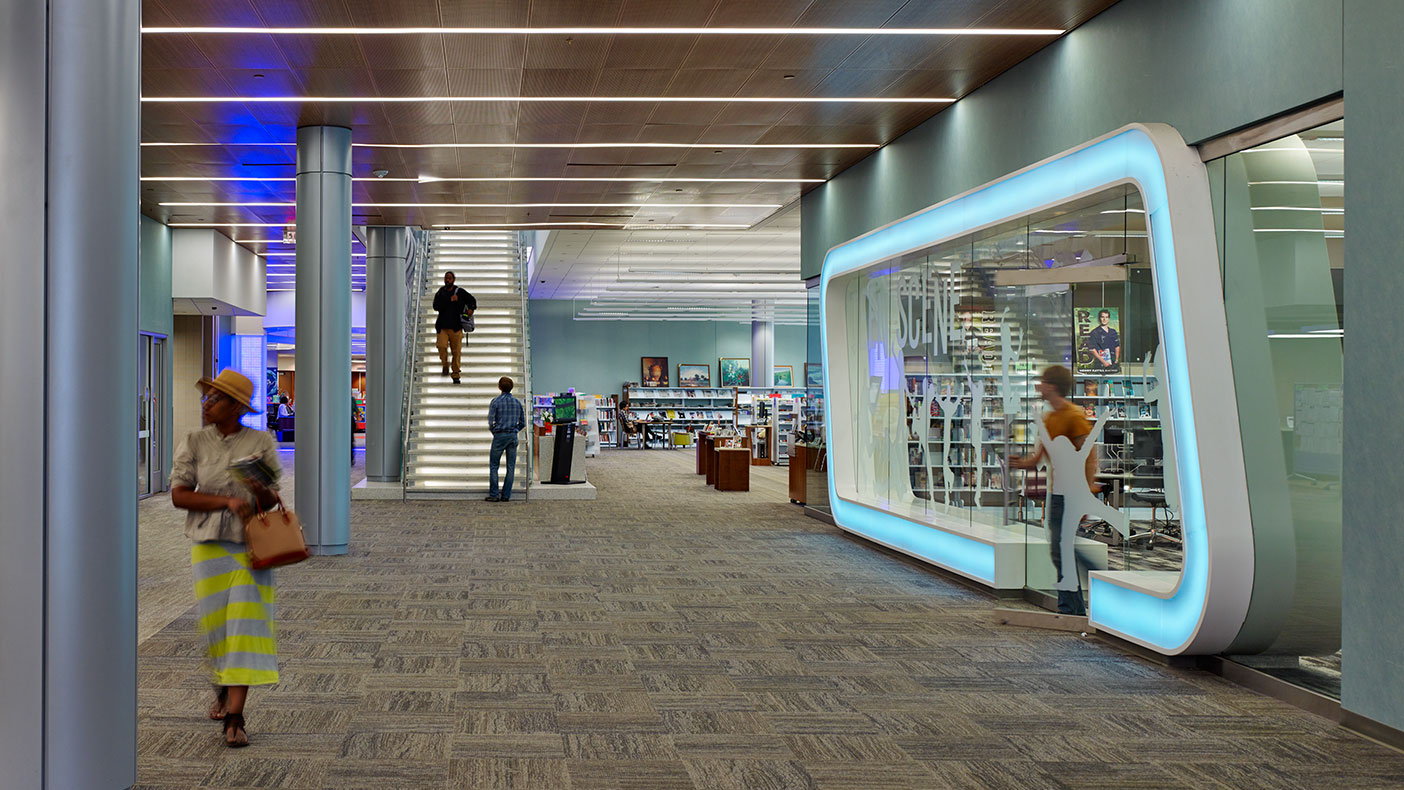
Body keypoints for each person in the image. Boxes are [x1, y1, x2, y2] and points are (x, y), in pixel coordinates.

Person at [170, 369, 282, 747]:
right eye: (207, 397)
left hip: (251, 548)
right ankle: (223, 684)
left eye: (214, 399)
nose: (206, 403)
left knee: (244, 631)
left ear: (235, 406)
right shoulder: (194, 442)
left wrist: (257, 488)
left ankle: (236, 717)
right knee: (219, 631)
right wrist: (227, 501)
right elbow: (179, 495)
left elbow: (270, 501)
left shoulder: (261, 441)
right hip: (209, 547)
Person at [1010, 365, 1099, 615]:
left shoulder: (1073, 415)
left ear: (1053, 386)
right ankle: (1074, 607)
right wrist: (1017, 462)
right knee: (1060, 550)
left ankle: (1081, 600)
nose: (1039, 386)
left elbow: (1089, 455)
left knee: (1063, 550)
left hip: (1072, 494)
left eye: (1042, 382)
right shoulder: (1049, 418)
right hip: (1057, 494)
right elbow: (1038, 459)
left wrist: (1087, 491)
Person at [432, 271, 476, 385]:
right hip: (442, 327)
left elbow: (472, 300)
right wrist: (449, 300)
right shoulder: (441, 292)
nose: (447, 280)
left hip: (456, 327)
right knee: (441, 346)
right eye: (446, 278)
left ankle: (456, 374)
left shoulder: (459, 292)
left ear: (453, 280)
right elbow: (436, 306)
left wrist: (470, 309)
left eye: (450, 278)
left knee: (456, 353)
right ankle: (445, 364)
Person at [486, 376, 526, 502]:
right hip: (512, 436)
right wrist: (514, 431)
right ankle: (506, 495)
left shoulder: (495, 402)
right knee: (511, 466)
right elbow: (522, 423)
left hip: (499, 436)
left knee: (494, 465)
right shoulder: (517, 403)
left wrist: (495, 432)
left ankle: (494, 494)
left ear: (499, 387)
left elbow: (491, 421)